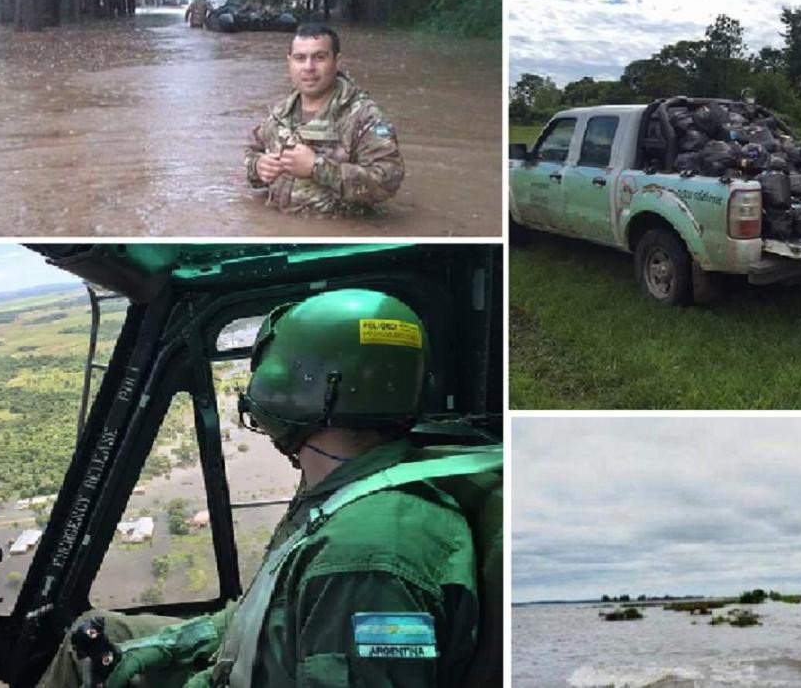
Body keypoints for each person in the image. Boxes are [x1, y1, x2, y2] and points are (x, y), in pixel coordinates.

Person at [37, 289, 500, 688]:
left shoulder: (362, 562)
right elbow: (271, 615)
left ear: (298, 390)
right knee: (100, 633)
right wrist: (169, 645)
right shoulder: (345, 492)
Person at [244, 24, 404, 216]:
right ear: (290, 63)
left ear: (337, 62)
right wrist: (259, 167)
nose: (309, 67)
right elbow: (252, 151)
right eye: (300, 58)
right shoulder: (281, 114)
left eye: (319, 57)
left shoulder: (363, 116)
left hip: (342, 230)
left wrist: (317, 167)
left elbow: (388, 180)